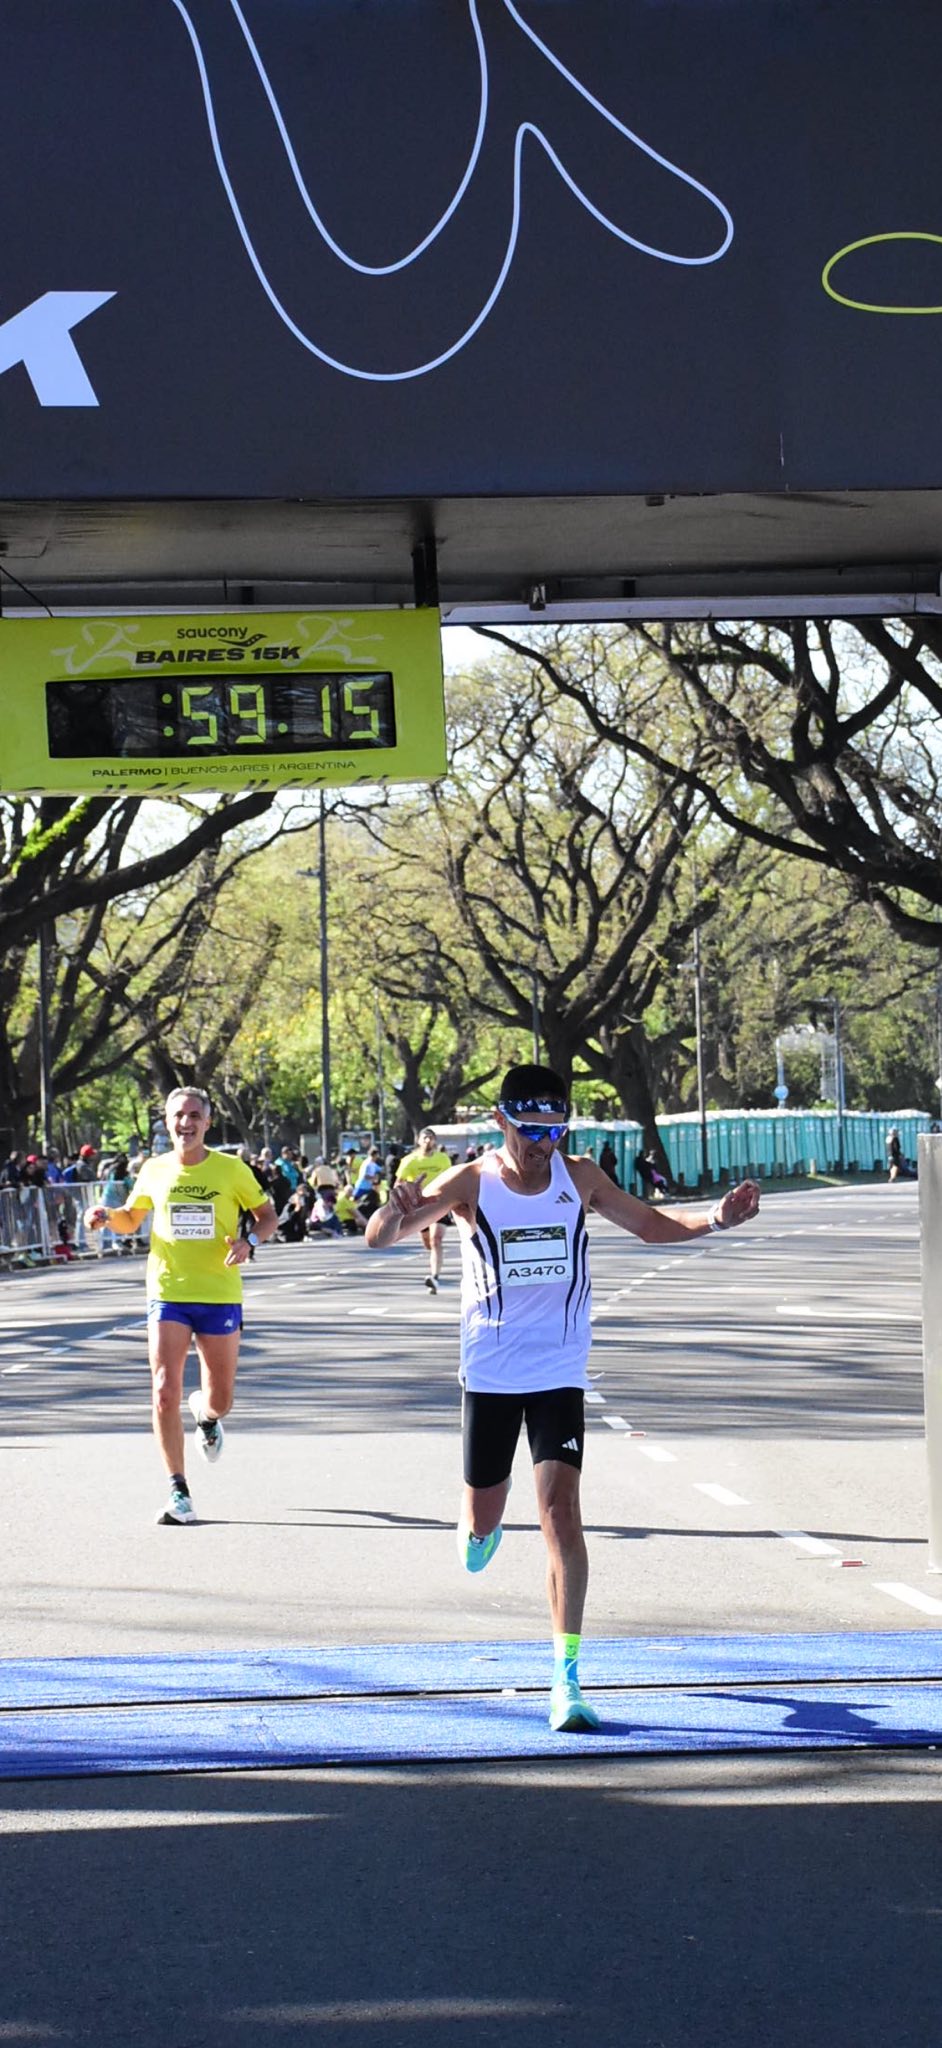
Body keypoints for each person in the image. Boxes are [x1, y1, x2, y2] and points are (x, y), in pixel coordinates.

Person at [366, 1061, 759, 1734]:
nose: (543, 1145)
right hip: (492, 1374)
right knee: (484, 1520)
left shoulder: (579, 1178)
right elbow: (380, 1238)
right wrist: (392, 1211)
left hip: (558, 1372)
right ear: (501, 1122)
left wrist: (715, 1220)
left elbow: (649, 1225)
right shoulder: (471, 1182)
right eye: (531, 1131)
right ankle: (477, 1527)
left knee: (561, 1514)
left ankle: (566, 1676)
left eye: (555, 1131)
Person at [83, 1086, 277, 1526]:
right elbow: (131, 1217)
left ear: (207, 1122)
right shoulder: (154, 1169)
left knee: (221, 1400)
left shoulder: (231, 1169)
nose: (185, 1123)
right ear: (167, 1122)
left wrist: (248, 1241)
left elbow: (267, 1217)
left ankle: (207, 1417)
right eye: (177, 1116)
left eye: (193, 1115)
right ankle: (179, 1490)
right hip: (168, 1290)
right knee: (163, 1390)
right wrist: (105, 1216)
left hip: (218, 1293)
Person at [395, 1127, 455, 1293]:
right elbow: (399, 1183)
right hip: (419, 1207)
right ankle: (434, 1259)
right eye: (425, 1137)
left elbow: (451, 1179)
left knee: (436, 1240)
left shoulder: (442, 1159)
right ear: (418, 1140)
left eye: (431, 1137)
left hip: (439, 1203)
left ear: (435, 1141)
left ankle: (434, 1277)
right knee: (428, 1243)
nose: (428, 1141)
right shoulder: (410, 1160)